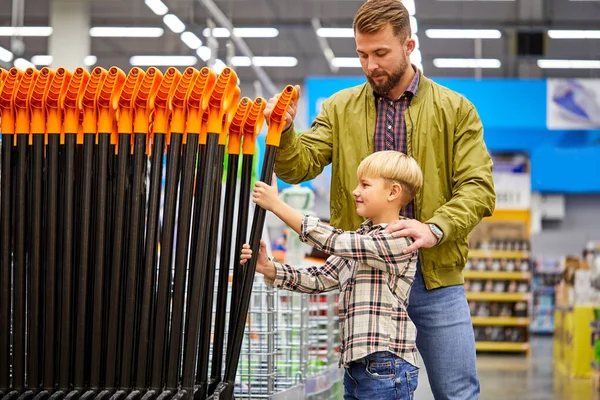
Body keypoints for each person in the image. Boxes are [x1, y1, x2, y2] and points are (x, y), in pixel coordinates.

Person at [262, 0, 496, 398]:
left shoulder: (456, 110)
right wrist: (284, 131)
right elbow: (297, 167)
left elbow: (478, 187)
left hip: (434, 277)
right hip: (366, 279)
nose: (371, 65)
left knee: (458, 392)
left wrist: (434, 228)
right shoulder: (338, 109)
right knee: (372, 388)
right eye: (362, 54)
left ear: (409, 46)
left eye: (381, 53)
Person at [241, 150, 424, 399]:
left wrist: (277, 206)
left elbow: (333, 241)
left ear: (393, 192)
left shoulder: (399, 239)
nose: (355, 191)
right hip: (357, 366)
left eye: (365, 184)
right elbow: (320, 278)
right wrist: (270, 268)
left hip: (386, 364)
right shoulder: (362, 238)